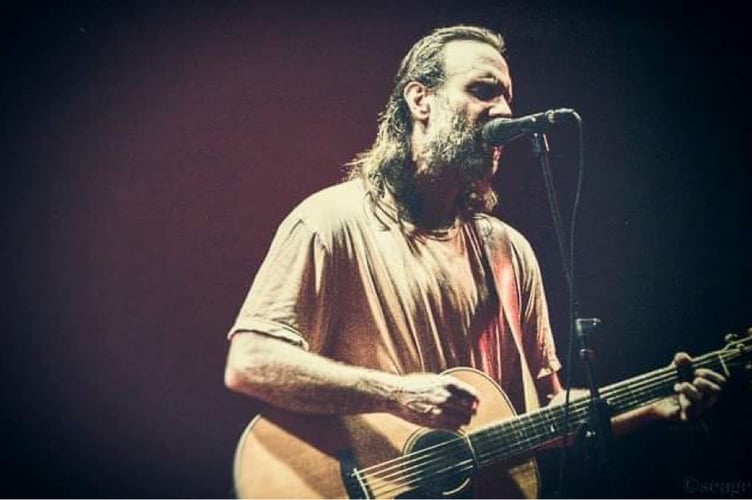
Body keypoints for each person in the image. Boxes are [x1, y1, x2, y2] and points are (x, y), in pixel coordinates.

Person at [224, 24, 725, 494]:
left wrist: (652, 406)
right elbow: (250, 363)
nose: (503, 111)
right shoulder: (330, 222)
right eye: (484, 91)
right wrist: (397, 395)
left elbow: (546, 414)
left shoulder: (508, 251)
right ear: (420, 99)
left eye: (507, 96)